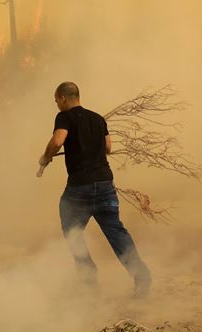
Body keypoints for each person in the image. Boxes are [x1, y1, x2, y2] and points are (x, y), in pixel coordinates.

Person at [37, 81, 152, 298]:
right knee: (117, 233)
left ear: (62, 98)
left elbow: (58, 140)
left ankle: (88, 276)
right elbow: (108, 147)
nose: (56, 105)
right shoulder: (98, 119)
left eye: (56, 101)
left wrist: (46, 157)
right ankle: (141, 276)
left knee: (71, 229)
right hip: (105, 185)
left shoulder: (64, 117)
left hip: (80, 188)